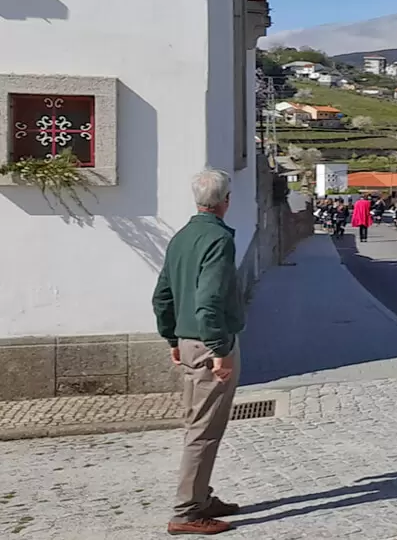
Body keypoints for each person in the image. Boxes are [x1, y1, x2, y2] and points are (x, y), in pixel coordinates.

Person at [152, 169, 244, 536]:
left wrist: (172, 339)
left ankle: (200, 497)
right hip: (210, 343)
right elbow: (209, 299)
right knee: (205, 429)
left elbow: (162, 295)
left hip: (188, 340)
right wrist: (220, 348)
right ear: (226, 201)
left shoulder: (181, 237)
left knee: (196, 424)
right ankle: (187, 511)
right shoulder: (218, 239)